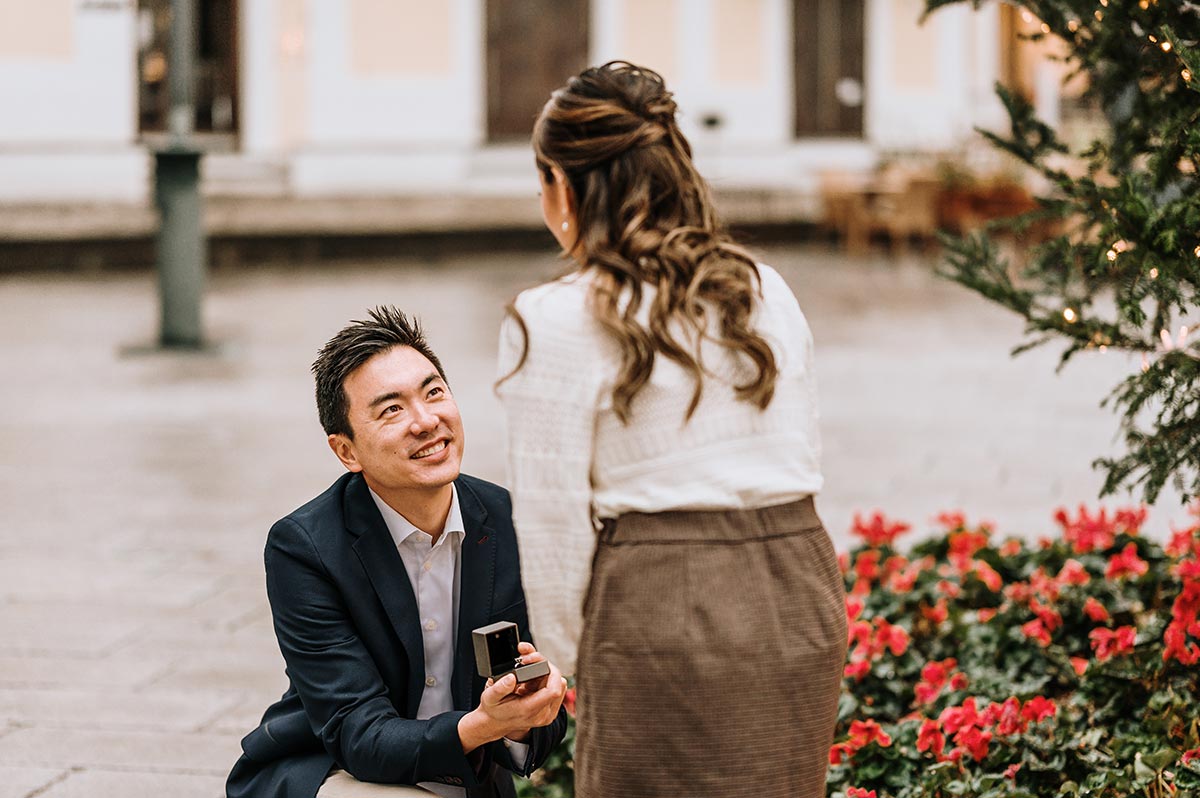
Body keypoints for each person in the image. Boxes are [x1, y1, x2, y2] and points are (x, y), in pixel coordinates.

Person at [495, 62, 847, 798]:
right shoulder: (762, 288)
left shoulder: (554, 317)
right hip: (800, 589)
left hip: (666, 601)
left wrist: (569, 664)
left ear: (565, 186)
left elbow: (552, 523)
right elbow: (798, 452)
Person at [227, 307, 568, 798]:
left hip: (466, 779)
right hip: (333, 771)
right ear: (347, 452)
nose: (426, 421)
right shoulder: (305, 547)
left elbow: (532, 732)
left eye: (433, 393)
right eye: (392, 409)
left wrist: (519, 719)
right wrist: (478, 726)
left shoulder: (508, 520)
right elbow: (357, 733)